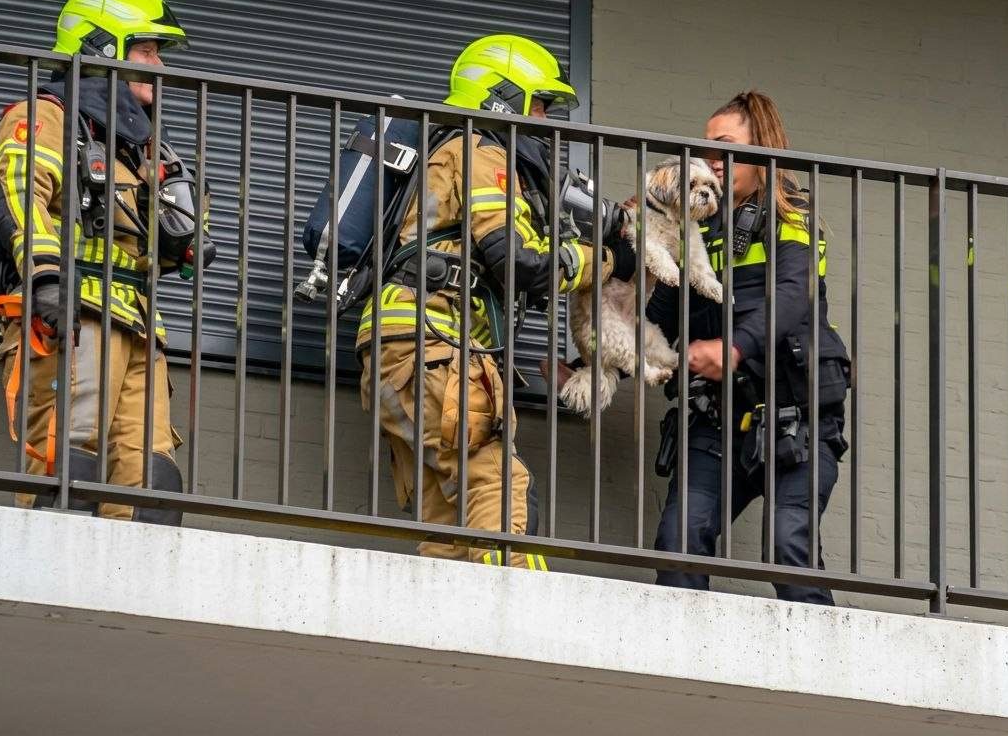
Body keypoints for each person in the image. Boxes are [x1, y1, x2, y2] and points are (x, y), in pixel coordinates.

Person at [357, 34, 636, 568]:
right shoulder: (481, 152)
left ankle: (448, 633)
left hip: (396, 346)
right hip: (434, 340)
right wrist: (605, 261)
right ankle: (513, 610)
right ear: (499, 99)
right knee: (501, 485)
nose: (548, 121)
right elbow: (520, 261)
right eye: (540, 105)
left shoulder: (450, 151)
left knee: (445, 514)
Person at [0, 0, 207, 524]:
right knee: (71, 464)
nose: (158, 66)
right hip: (72, 319)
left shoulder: (143, 148)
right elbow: (19, 196)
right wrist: (43, 278)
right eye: (146, 51)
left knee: (154, 483)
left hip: (138, 329)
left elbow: (167, 242)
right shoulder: (47, 117)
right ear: (100, 46)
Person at [648, 90, 851, 604]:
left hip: (797, 417)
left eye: (723, 146)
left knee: (790, 546)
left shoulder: (794, 215)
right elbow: (661, 314)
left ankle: (819, 673)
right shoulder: (694, 225)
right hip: (715, 419)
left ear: (761, 149)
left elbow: (793, 294)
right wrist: (593, 363)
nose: (709, 159)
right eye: (704, 149)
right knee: (678, 541)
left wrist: (734, 347)